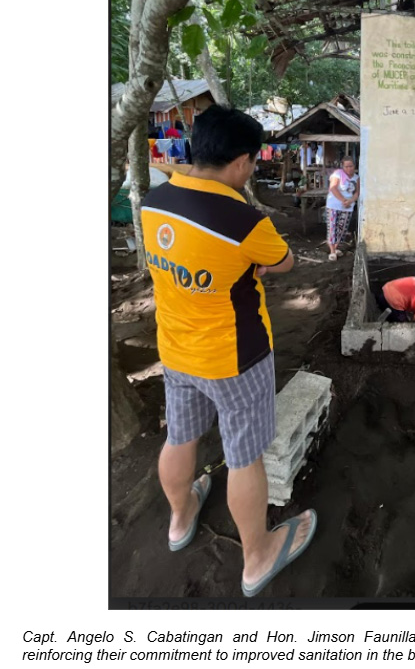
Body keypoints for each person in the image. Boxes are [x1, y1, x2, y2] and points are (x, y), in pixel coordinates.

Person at [141, 105, 317, 598]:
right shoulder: (242, 219)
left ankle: (180, 519)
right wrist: (247, 265)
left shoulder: (153, 202)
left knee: (180, 436)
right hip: (234, 358)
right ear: (241, 162)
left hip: (175, 351)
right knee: (244, 458)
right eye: (253, 162)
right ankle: (257, 556)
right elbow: (282, 262)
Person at [325, 157, 359, 262]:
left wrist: (351, 201)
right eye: (346, 166)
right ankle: (332, 251)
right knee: (332, 228)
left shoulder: (356, 178)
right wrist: (344, 200)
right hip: (334, 205)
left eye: (351, 166)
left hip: (348, 207)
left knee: (342, 229)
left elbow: (357, 192)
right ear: (343, 167)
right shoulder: (337, 174)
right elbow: (333, 188)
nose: (349, 169)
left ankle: (335, 248)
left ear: (354, 166)